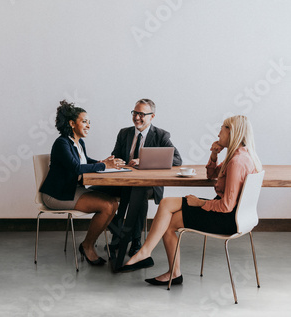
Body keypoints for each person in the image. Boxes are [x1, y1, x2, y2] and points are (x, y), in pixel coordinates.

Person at [120, 115, 262, 285]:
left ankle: (170, 270)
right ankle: (146, 252)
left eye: (223, 128)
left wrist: (200, 203)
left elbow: (226, 206)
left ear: (233, 132)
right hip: (237, 215)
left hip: (226, 218)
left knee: (169, 222)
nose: (218, 134)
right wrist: (214, 154)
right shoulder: (241, 156)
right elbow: (211, 175)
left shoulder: (237, 162)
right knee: (166, 204)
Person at [40, 100, 124, 265]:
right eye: (84, 121)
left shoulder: (79, 143)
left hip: (72, 190)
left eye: (89, 122)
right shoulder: (62, 143)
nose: (88, 125)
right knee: (107, 206)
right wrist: (103, 165)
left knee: (113, 203)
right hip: (56, 195)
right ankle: (87, 246)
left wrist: (102, 161)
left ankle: (90, 243)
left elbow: (84, 161)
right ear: (72, 123)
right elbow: (76, 167)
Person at [106, 99, 182, 257]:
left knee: (138, 193)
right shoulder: (124, 133)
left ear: (152, 116)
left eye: (142, 114)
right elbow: (116, 156)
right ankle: (121, 236)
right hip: (125, 182)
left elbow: (177, 160)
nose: (137, 117)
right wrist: (115, 161)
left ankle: (133, 240)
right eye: (135, 113)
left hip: (149, 186)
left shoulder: (161, 135)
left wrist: (144, 161)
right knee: (112, 193)